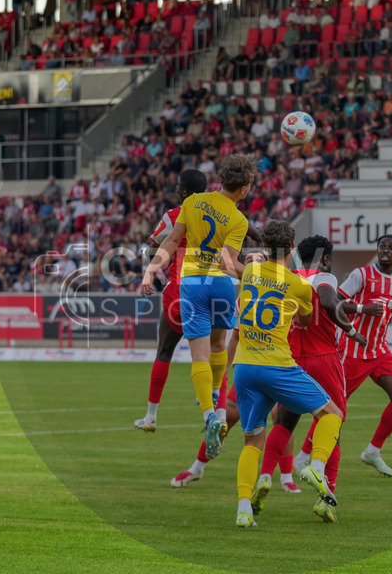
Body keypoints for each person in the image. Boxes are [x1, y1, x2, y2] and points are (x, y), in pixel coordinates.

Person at [232, 220, 345, 528]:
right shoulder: (299, 286)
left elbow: (231, 263)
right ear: (292, 249)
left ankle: (243, 509)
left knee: (251, 441)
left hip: (243, 367)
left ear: (264, 248)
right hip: (277, 365)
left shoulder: (250, 272)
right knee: (332, 413)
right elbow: (307, 321)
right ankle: (316, 467)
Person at [141, 154, 253, 460]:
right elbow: (228, 263)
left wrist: (151, 271)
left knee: (198, 355)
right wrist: (259, 275)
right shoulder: (239, 220)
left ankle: (209, 416)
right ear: (243, 189)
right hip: (221, 286)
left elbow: (172, 240)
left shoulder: (192, 203)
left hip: (190, 285)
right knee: (220, 346)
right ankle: (218, 403)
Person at [252, 235, 370, 523]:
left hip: (293, 359)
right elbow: (330, 303)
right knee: (334, 422)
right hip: (324, 359)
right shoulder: (324, 277)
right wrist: (354, 333)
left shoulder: (289, 277)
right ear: (326, 258)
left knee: (285, 422)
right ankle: (325, 496)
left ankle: (265, 476)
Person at [294, 235, 392, 478]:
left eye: (391, 247)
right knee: (332, 408)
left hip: (379, 351)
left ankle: (372, 451)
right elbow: (336, 302)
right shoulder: (361, 275)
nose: (385, 250)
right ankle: (304, 456)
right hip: (352, 350)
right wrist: (363, 309)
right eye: (382, 246)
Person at [169, 252, 300, 490]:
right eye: (248, 262)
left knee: (278, 417)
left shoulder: (285, 293)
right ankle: (197, 469)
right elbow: (235, 339)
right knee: (227, 419)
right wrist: (224, 372)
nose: (252, 266)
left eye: (257, 261)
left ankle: (286, 477)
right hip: (248, 369)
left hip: (277, 367)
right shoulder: (241, 301)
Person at [133, 170, 209, 433]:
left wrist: (155, 263)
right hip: (212, 292)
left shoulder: (174, 215)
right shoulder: (219, 216)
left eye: (178, 185)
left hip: (179, 292)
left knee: (164, 352)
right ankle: (211, 409)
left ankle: (151, 416)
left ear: (185, 192)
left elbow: (154, 244)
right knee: (209, 353)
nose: (175, 188)